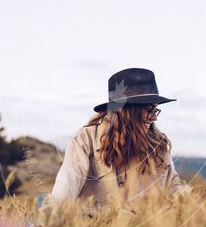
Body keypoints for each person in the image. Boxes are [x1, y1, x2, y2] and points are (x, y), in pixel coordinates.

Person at [45, 68, 192, 212]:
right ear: (127, 111)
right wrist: (50, 220)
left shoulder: (159, 145)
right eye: (149, 110)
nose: (155, 117)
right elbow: (65, 189)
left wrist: (196, 198)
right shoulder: (85, 140)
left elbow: (174, 188)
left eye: (155, 110)